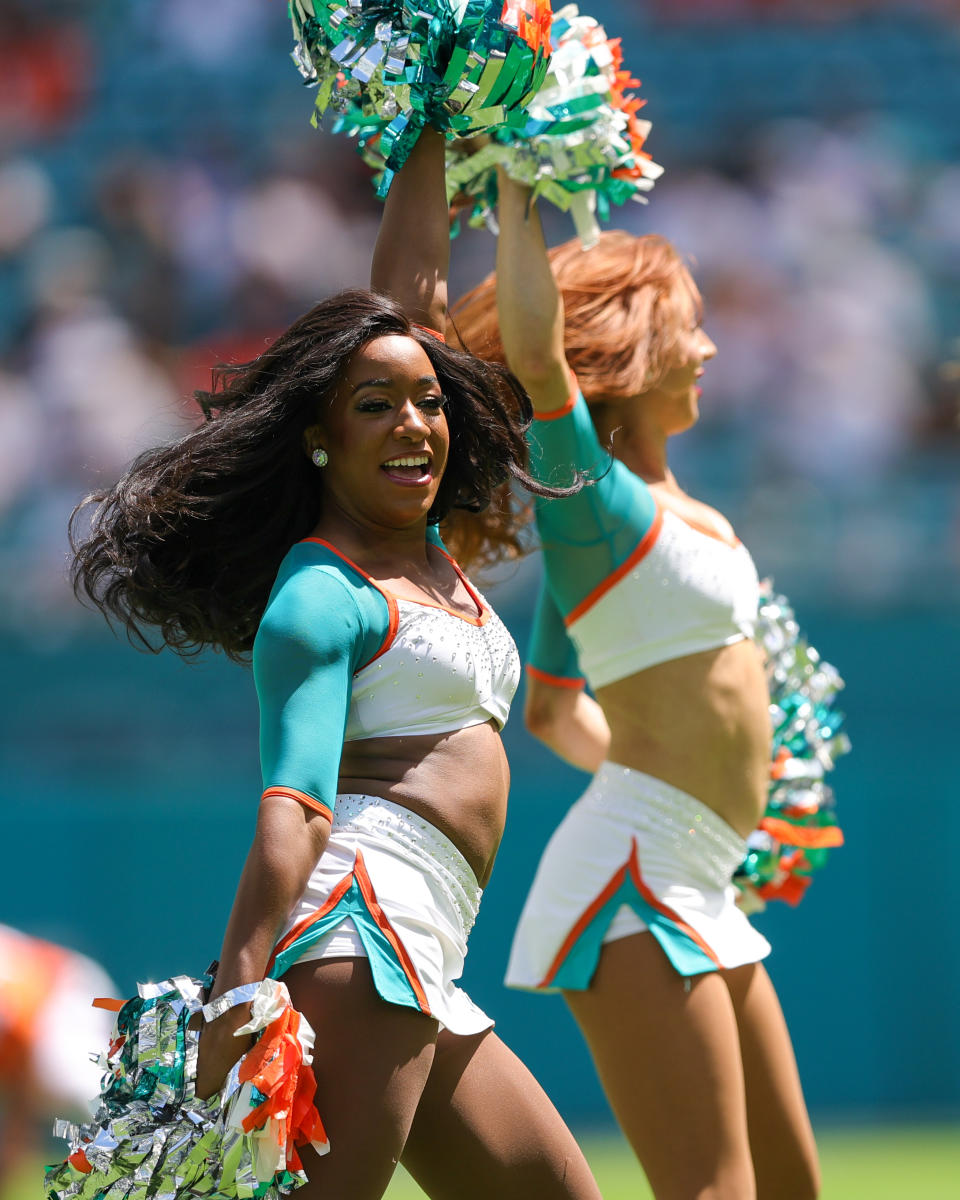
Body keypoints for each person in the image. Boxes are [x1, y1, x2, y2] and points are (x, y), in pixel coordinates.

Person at [69, 130, 602, 1200]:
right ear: (320, 437)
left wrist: (435, 119)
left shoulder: (421, 546)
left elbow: (410, 302)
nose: (415, 423)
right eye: (375, 406)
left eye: (430, 401)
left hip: (423, 946)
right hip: (364, 926)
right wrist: (237, 992)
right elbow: (295, 811)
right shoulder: (321, 594)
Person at [449, 172, 821, 1200]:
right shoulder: (593, 502)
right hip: (636, 882)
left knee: (794, 1187)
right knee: (715, 1191)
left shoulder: (652, 517)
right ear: (638, 349)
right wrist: (519, 194)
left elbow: (554, 709)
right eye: (689, 328)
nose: (706, 350)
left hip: (695, 867)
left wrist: (704, 787)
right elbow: (535, 353)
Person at [0, 924, 116, 1189]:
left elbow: (23, 1028)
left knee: (107, 1111)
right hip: (59, 992)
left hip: (61, 1007)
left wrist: (17, 1124)